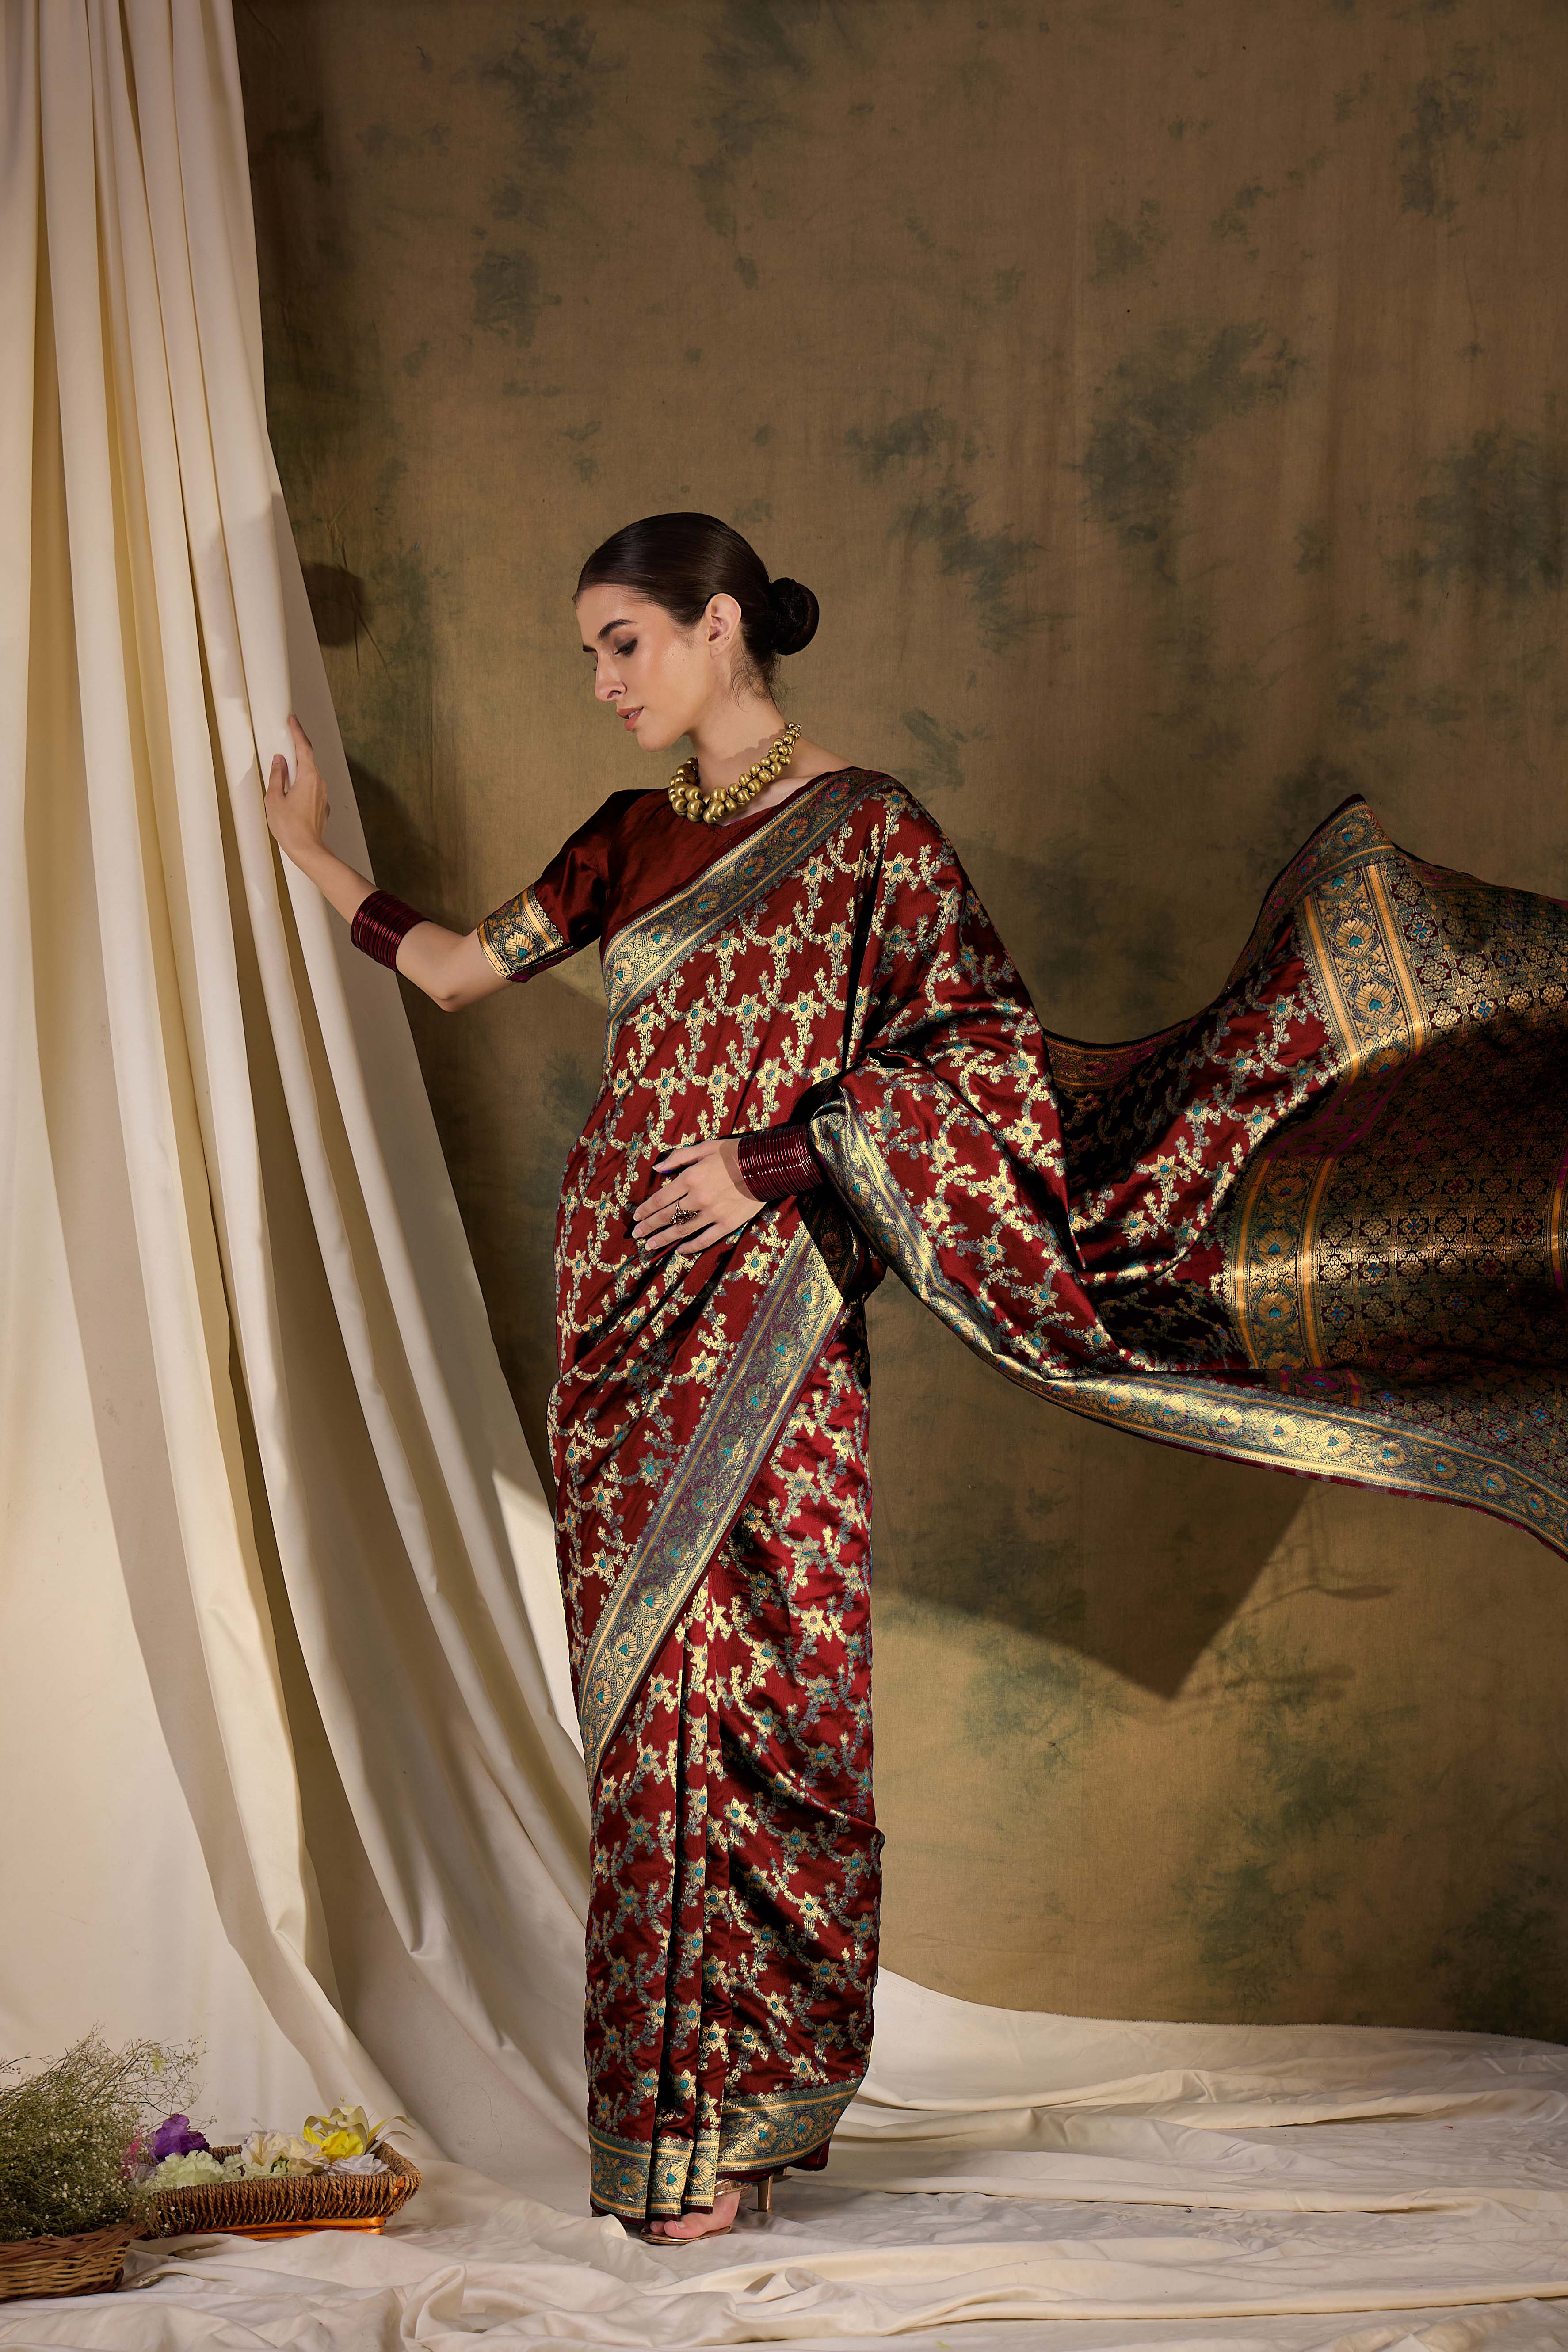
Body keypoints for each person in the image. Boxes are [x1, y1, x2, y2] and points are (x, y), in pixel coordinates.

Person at [267, 510, 1568, 2243]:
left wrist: (779, 1156)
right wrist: (307, 852)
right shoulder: (623, 837)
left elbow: (979, 1063)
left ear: (719, 625)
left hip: (774, 1308)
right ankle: (662, 2131)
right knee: (649, 1716)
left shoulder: (873, 833)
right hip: (617, 1313)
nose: (601, 682)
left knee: (775, 1695)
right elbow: (449, 972)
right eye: (587, 652)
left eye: (622, 642)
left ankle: (745, 2118)